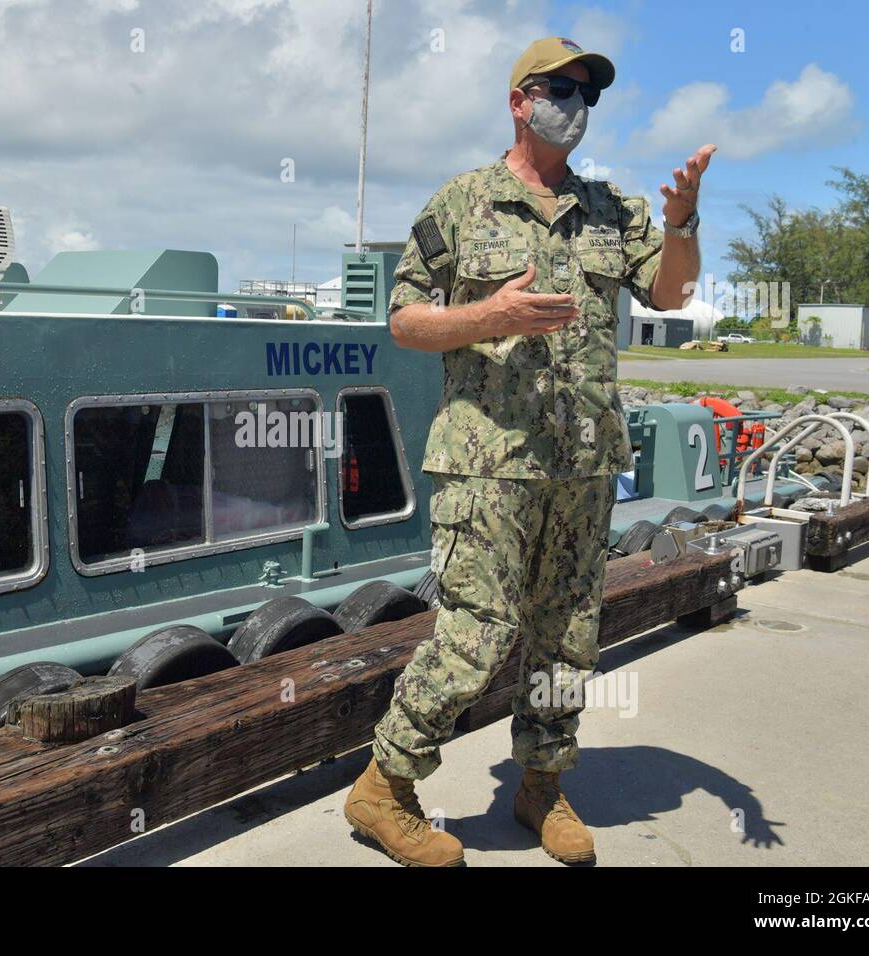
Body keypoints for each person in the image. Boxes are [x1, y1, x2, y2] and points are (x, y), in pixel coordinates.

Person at [343, 36, 715, 867]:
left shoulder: (615, 210)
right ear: (520, 100)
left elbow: (675, 292)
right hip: (487, 459)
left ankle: (541, 784)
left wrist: (684, 221)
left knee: (567, 633)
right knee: (477, 629)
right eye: (560, 90)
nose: (574, 105)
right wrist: (487, 318)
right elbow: (404, 321)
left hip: (582, 463)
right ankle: (385, 786)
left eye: (587, 95)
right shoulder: (462, 203)